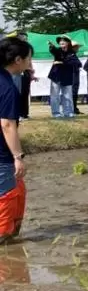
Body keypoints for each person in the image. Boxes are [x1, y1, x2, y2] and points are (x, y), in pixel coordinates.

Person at [0, 37, 32, 244]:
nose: (31, 63)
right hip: (2, 155)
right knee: (6, 197)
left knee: (18, 189)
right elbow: (7, 124)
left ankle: (11, 239)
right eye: (29, 58)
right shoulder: (8, 87)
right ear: (18, 60)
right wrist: (17, 156)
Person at [47, 36, 76, 118]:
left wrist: (62, 62)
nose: (61, 42)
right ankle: (56, 113)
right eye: (60, 41)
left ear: (68, 43)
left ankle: (68, 112)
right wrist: (52, 47)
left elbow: (76, 63)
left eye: (63, 41)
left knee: (67, 95)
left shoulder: (72, 53)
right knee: (55, 95)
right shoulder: (58, 50)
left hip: (67, 77)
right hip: (56, 76)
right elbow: (54, 51)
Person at [69, 41, 83, 115]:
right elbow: (78, 63)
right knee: (73, 92)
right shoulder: (71, 55)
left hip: (74, 75)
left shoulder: (72, 55)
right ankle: (73, 108)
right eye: (77, 47)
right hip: (73, 75)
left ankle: (74, 108)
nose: (78, 48)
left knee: (73, 92)